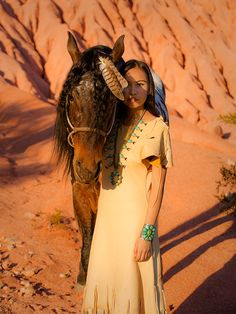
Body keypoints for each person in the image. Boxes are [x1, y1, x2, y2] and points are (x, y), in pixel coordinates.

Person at [82, 59, 173, 314]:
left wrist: (147, 233)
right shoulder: (109, 127)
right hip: (106, 226)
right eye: (127, 84)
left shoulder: (155, 128)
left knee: (132, 292)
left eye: (140, 84)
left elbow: (157, 187)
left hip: (136, 225)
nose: (133, 91)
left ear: (150, 89)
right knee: (105, 284)